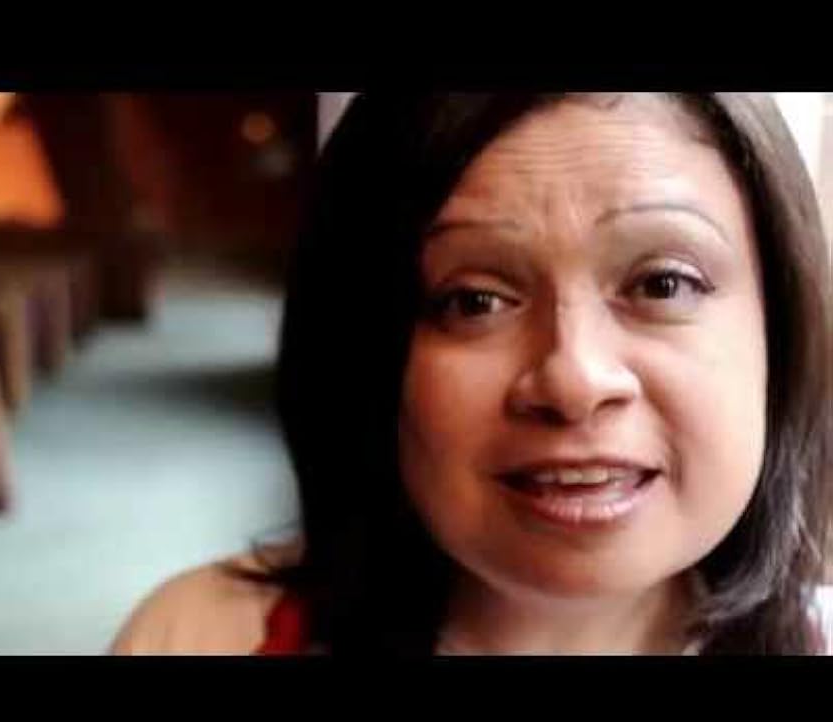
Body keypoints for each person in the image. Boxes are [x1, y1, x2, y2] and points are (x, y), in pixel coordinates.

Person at [112, 93, 833, 655]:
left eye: (661, 285)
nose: (575, 380)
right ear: (366, 354)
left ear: (778, 330)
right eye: (474, 301)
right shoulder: (197, 637)